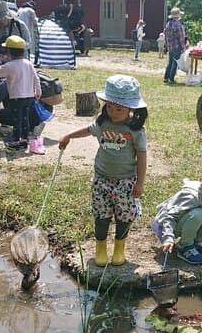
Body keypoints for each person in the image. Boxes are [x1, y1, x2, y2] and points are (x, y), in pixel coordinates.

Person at [58, 75, 148, 267]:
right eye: (109, 107)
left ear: (131, 108)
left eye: (119, 109)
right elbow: (88, 130)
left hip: (126, 182)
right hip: (101, 180)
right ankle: (100, 249)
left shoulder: (136, 130)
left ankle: (119, 248)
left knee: (124, 216)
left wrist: (139, 182)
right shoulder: (102, 124)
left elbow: (141, 156)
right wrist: (69, 136)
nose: (113, 112)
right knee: (101, 215)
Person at [0, 36, 41, 149]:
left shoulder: (9, 66)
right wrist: (38, 91)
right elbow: (36, 78)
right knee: (24, 120)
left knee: (17, 120)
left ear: (8, 52)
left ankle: (15, 141)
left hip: (17, 98)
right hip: (29, 97)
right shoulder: (28, 63)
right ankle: (24, 140)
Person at [163, 8, 187, 84]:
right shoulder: (179, 25)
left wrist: (166, 45)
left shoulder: (168, 24)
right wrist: (183, 48)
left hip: (170, 46)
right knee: (175, 62)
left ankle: (166, 77)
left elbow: (165, 35)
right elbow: (181, 37)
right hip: (177, 46)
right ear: (178, 16)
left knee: (170, 62)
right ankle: (171, 79)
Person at [17, 0, 40, 65]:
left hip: (19, 30)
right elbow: (35, 22)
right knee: (28, 45)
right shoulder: (31, 10)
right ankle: (29, 61)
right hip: (28, 30)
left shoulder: (19, 10)